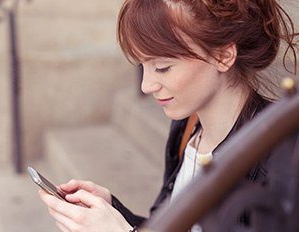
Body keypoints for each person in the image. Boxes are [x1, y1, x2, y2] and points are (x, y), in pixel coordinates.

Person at [39, 0, 298, 231]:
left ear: (223, 55)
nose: (146, 85)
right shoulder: (186, 129)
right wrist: (114, 210)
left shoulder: (281, 159)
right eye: (143, 67)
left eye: (162, 68)